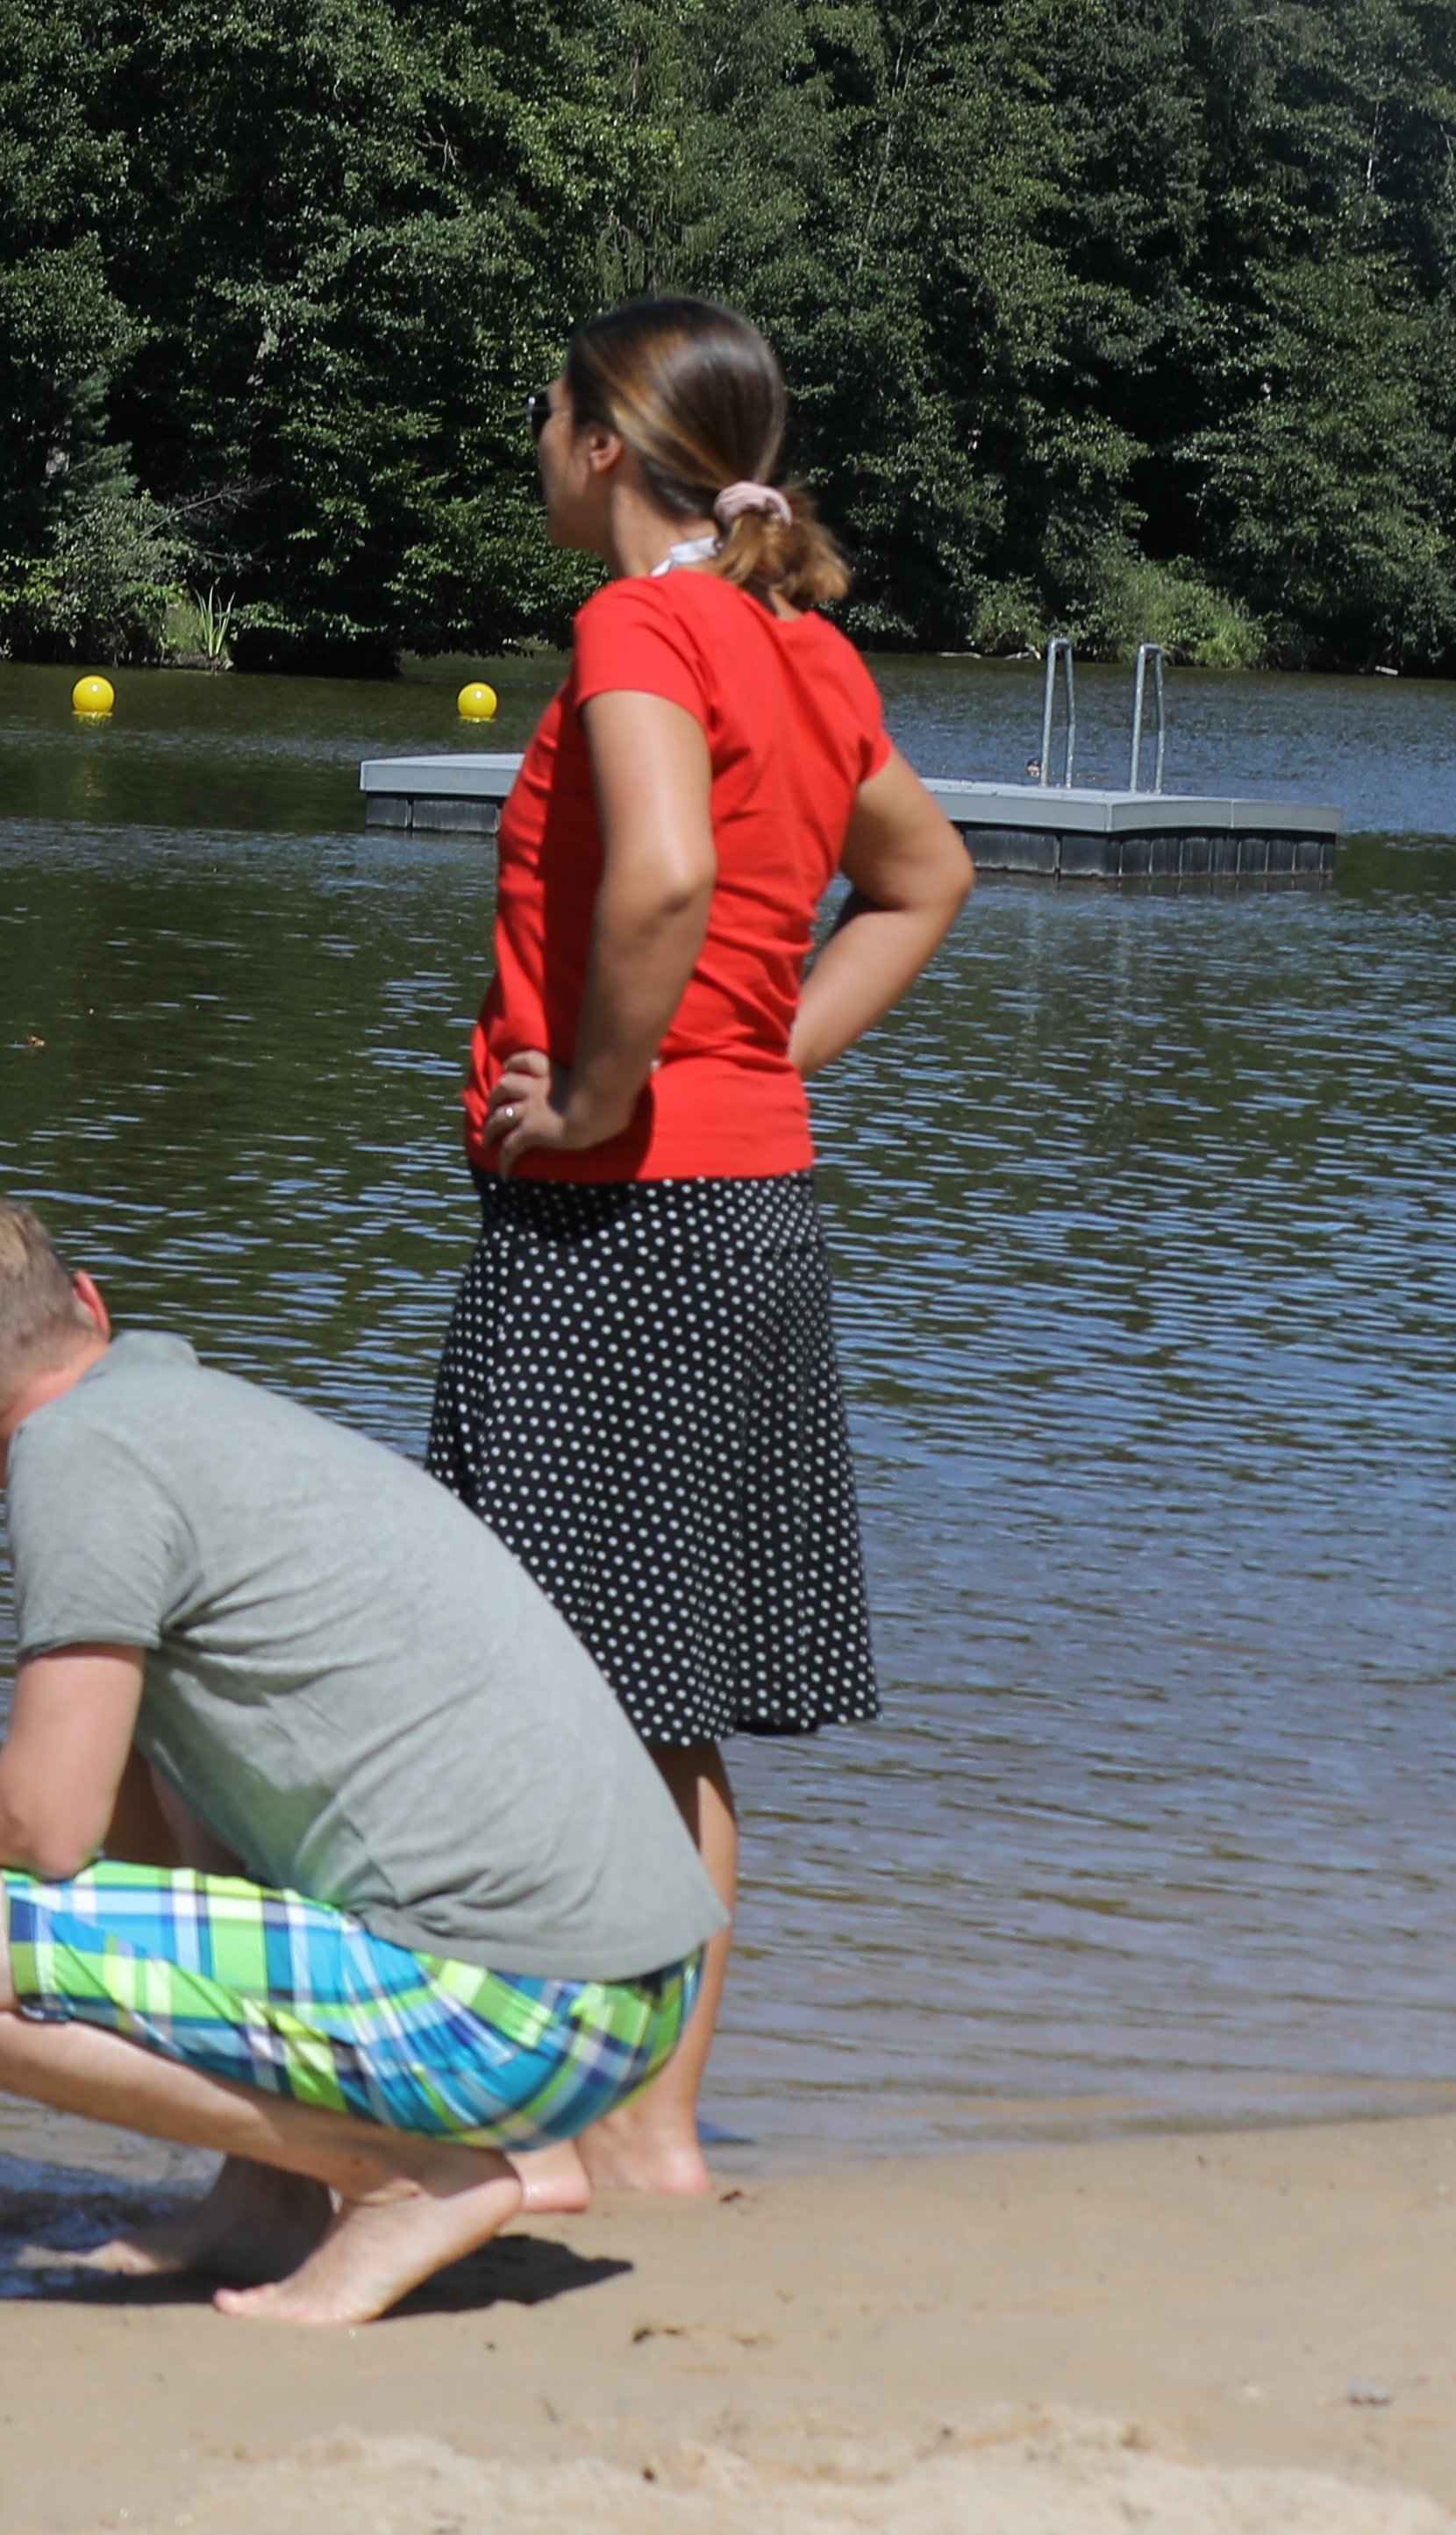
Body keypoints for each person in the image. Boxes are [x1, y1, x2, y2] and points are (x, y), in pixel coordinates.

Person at [435, 296, 971, 2196]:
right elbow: (924, 876)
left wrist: (595, 1087)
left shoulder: (640, 621)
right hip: (749, 1211)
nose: (532, 437)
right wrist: (753, 1054)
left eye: (539, 404)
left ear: (597, 440)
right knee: (662, 1706)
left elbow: (659, 867)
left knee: (557, 1688)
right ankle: (654, 2128)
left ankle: (574, 2122)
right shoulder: (799, 641)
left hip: (617, 1220)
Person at [0, 1196, 726, 2327]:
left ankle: (405, 2178)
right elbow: (116, 1823)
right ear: (91, 1306)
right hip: (633, 1999)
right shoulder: (195, 1410)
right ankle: (267, 2193)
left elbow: (44, 1824)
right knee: (152, 1759)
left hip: (519, 2014)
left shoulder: (76, 1454)